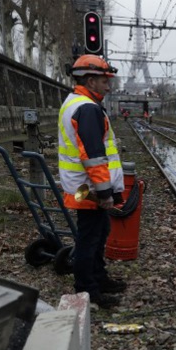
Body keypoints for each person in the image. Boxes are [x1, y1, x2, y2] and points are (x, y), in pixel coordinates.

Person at [59, 54, 127, 308]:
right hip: (87, 188)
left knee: (99, 233)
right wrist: (105, 192)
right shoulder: (86, 109)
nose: (109, 86)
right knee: (89, 238)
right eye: (104, 81)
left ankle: (99, 278)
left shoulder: (77, 103)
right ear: (90, 80)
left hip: (81, 185)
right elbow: (94, 156)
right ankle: (88, 291)